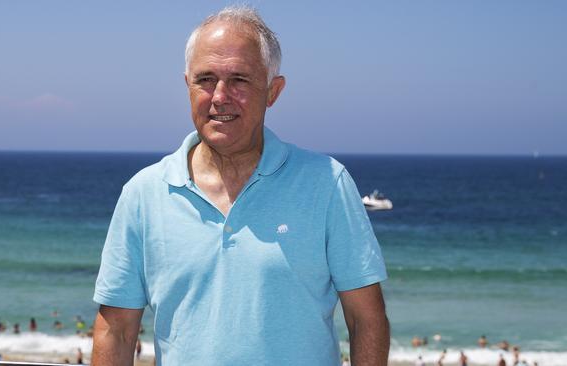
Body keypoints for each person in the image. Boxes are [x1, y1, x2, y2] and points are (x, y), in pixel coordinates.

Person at [91, 5, 389, 366]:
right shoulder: (144, 193)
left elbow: (366, 320)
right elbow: (116, 330)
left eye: (239, 80)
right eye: (206, 79)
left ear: (272, 91)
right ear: (187, 86)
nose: (219, 96)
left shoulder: (326, 183)